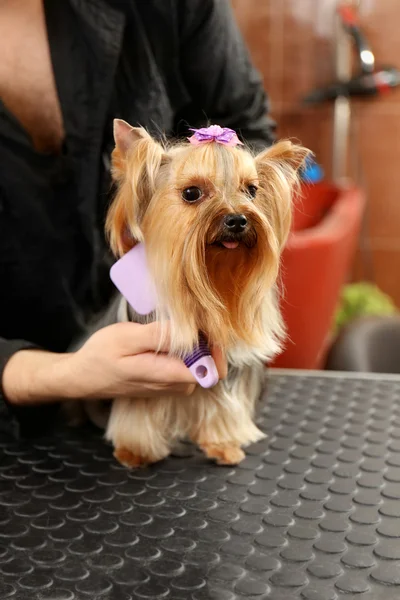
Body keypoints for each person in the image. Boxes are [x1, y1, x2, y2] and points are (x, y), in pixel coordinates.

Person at [0, 0, 276, 437]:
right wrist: (55, 374)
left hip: (186, 338)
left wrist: (209, 267)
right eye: (191, 194)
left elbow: (249, 133)